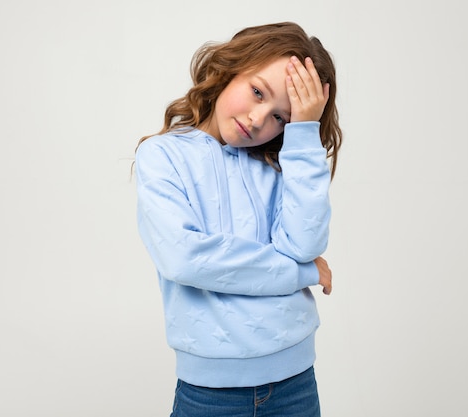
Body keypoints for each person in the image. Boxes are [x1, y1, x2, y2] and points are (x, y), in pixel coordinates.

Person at [134, 21, 342, 417]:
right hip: (211, 394)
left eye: (281, 117)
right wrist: (303, 274)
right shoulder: (162, 156)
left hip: (295, 382)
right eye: (258, 92)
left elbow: (304, 245)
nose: (260, 118)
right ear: (230, 68)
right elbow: (186, 259)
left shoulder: (283, 166)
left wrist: (302, 134)